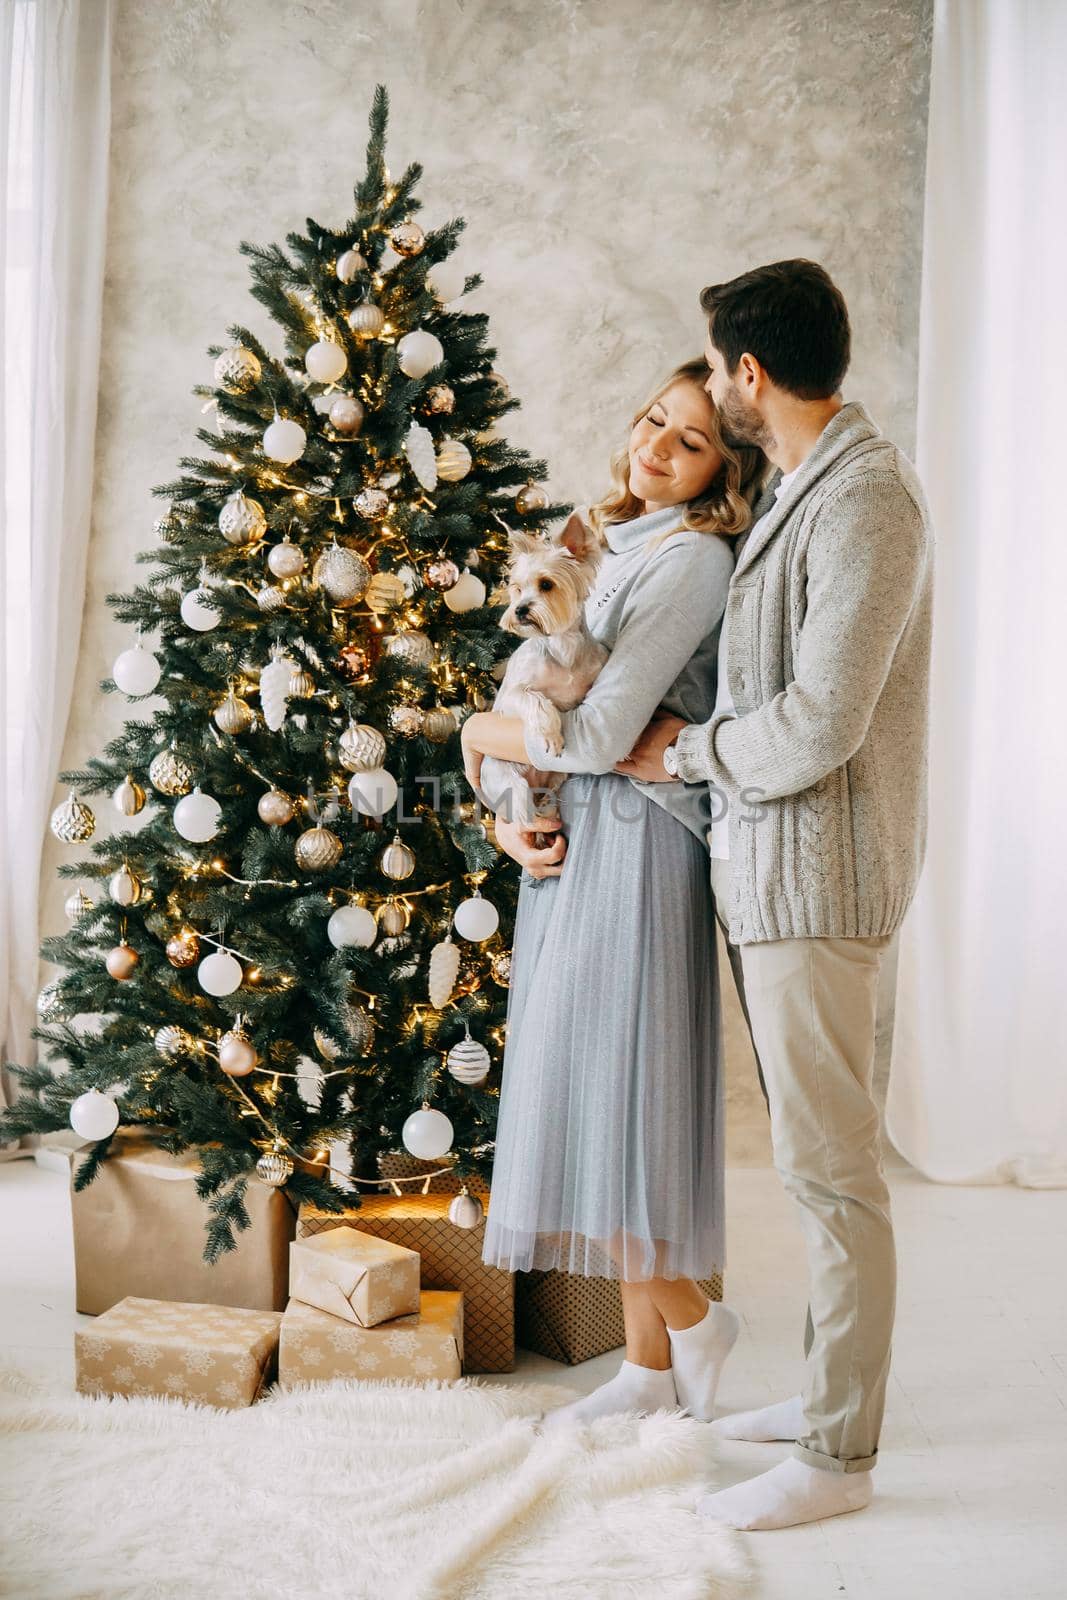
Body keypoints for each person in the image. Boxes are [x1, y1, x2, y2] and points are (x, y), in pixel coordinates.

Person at [619, 260, 933, 1530]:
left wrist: (685, 753)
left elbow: (817, 721)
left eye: (717, 376)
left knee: (834, 1176)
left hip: (820, 880)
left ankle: (837, 1463)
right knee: (816, 1169)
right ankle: (821, 1403)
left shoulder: (864, 501)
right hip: (769, 877)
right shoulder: (803, 487)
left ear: (748, 376)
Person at [460, 359, 765, 1429]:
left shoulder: (688, 563)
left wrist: (467, 731)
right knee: (602, 1100)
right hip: (574, 848)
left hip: (636, 851)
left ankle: (689, 1321)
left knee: (612, 1103)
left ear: (723, 469)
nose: (655, 447)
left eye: (687, 442)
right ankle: (644, 1370)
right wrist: (500, 802)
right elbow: (548, 726)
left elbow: (589, 736)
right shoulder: (604, 537)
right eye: (652, 421)